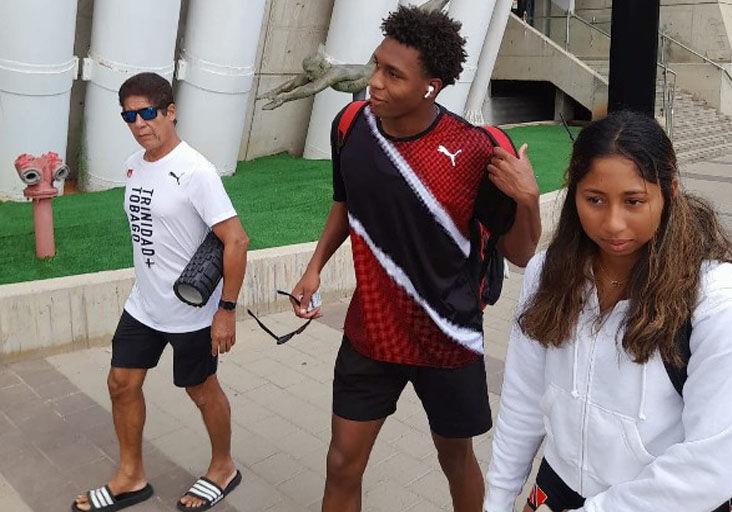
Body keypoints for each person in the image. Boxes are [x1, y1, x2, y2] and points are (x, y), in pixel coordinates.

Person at [290, 6, 541, 512]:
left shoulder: (477, 151)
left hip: (447, 337)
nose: (374, 83)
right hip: (371, 332)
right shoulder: (350, 126)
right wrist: (314, 266)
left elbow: (519, 253)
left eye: (392, 74)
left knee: (455, 459)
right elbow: (346, 201)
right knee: (341, 463)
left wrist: (528, 199)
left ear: (433, 86)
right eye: (376, 65)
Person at [484, 111, 732, 512]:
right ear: (574, 193)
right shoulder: (547, 274)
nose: (614, 223)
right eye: (594, 199)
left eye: (634, 201)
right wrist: (496, 500)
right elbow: (523, 402)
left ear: (669, 192)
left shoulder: (713, 299)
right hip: (558, 489)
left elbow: (711, 462)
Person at [71, 72, 249, 512]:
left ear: (170, 112)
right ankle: (131, 476)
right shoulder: (134, 164)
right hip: (144, 307)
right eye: (129, 115)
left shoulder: (196, 171)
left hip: (192, 312)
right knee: (121, 383)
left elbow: (236, 240)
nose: (139, 122)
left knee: (201, 390)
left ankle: (223, 467)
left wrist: (225, 310)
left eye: (148, 112)